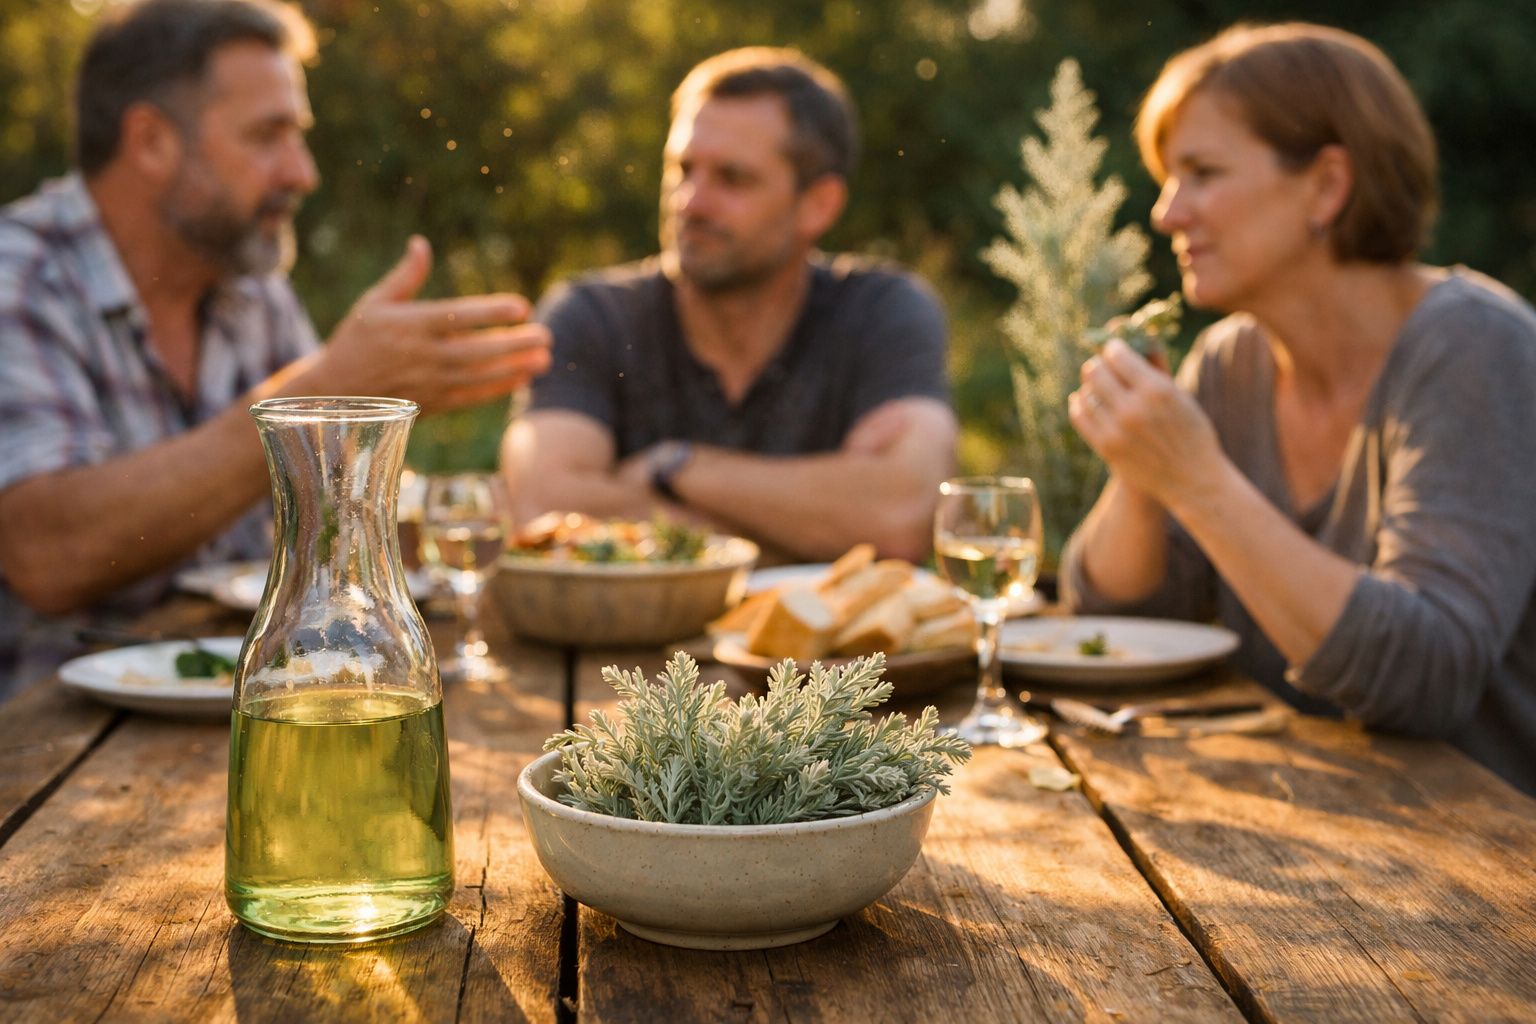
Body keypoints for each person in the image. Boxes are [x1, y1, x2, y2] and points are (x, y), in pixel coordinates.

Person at [0, 0, 552, 697]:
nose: (302, 173)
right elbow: (47, 554)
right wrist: (321, 392)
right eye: (269, 135)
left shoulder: (251, 290)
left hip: (254, 712)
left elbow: (332, 522)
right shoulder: (17, 279)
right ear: (150, 141)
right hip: (46, 762)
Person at [1060, 22, 1536, 794]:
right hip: (1303, 836)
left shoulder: (1477, 348)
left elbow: (1425, 675)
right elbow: (1117, 623)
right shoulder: (1231, 361)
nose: (1166, 214)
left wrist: (1197, 481)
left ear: (1327, 186)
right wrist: (1141, 477)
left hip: (1485, 864)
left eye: (1202, 173)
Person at [499, 47, 957, 564]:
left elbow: (903, 520)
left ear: (818, 205)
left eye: (733, 178)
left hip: (832, 651)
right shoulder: (592, 317)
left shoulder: (883, 312)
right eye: (682, 169)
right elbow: (544, 509)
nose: (690, 202)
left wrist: (673, 467)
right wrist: (811, 530)